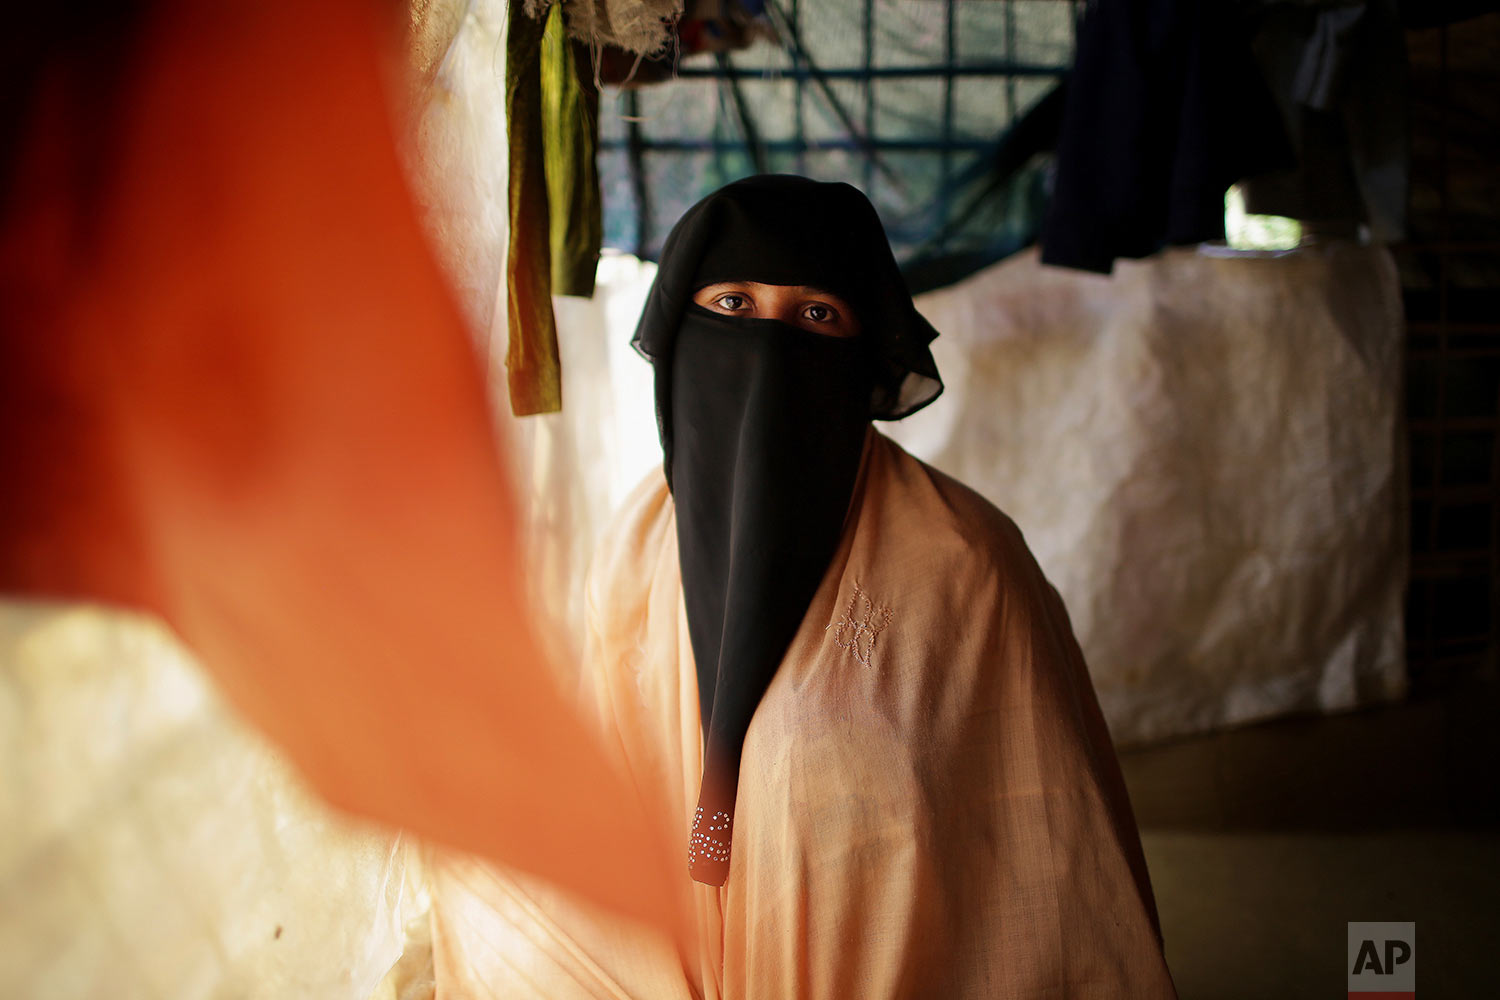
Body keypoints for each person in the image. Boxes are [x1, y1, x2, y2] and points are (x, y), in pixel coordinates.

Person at [429, 175, 1178, 998]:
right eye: (733, 306)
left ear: (860, 356)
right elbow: (597, 808)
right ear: (679, 331)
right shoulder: (635, 548)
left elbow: (1048, 868)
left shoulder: (967, 567)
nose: (769, 350)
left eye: (817, 315)